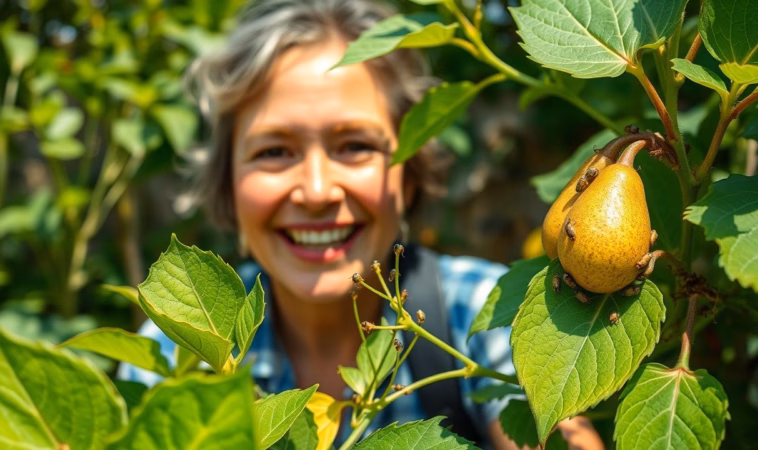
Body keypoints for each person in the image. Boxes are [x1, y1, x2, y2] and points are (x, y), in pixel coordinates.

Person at [119, 0, 603, 448]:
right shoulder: (178, 351)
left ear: (409, 174)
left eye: (355, 146)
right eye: (274, 151)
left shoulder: (485, 312)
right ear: (228, 183)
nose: (316, 192)